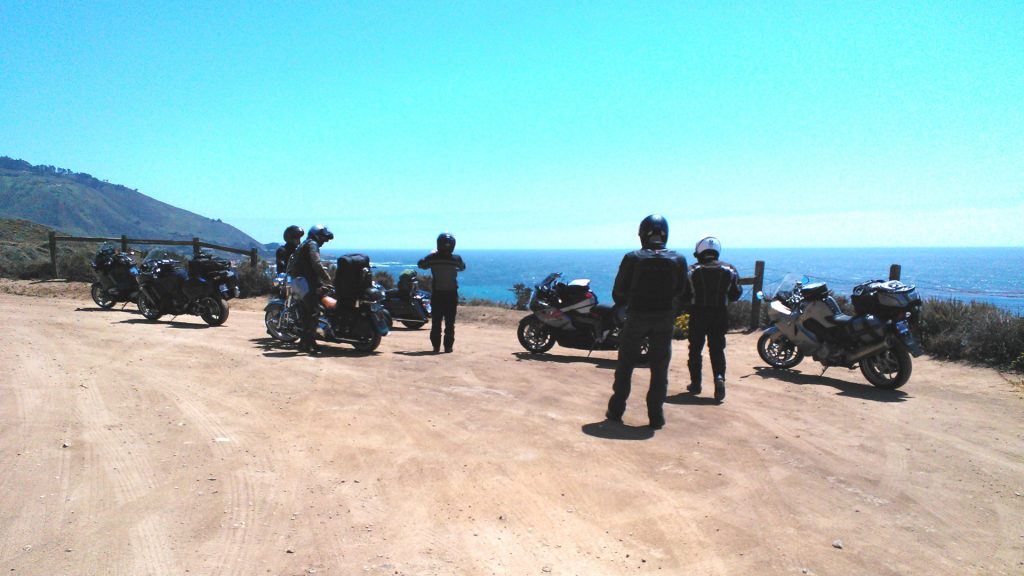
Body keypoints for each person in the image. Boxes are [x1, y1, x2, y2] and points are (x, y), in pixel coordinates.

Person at [605, 215, 688, 430]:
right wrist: (671, 311)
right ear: (665, 234)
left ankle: (616, 410)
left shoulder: (632, 258)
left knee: (625, 365)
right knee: (659, 368)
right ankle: (656, 417)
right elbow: (684, 293)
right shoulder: (678, 259)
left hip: (637, 318)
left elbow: (618, 292)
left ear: (643, 233)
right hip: (664, 319)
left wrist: (628, 304)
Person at [681, 236, 742, 402]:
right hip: (720, 314)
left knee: (695, 350)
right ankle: (719, 378)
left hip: (698, 314)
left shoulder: (692, 270)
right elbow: (736, 294)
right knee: (717, 349)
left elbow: (684, 294)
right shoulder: (730, 269)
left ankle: (695, 384)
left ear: (700, 251)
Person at [418, 232, 465, 353]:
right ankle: (448, 347)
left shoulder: (433, 258)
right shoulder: (456, 259)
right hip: (451, 293)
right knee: (450, 322)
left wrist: (432, 254)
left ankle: (436, 347)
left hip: (438, 293)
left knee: (436, 321)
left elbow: (421, 264)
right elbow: (462, 267)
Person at [290, 224, 334, 354]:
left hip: (297, 281)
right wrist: (326, 277)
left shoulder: (304, 244)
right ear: (317, 235)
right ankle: (307, 344)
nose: (323, 241)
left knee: (305, 313)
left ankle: (307, 342)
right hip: (306, 282)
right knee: (313, 313)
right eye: (323, 238)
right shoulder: (312, 244)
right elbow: (316, 263)